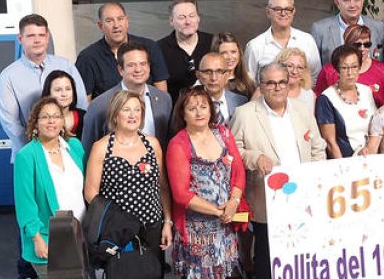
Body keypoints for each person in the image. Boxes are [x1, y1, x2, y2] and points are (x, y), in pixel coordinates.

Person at [231, 63, 326, 279]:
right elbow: (233, 150)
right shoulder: (244, 114)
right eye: (271, 83)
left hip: (303, 197)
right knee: (267, 257)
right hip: (266, 199)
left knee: (302, 254)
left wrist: (317, 178)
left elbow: (318, 146)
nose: (277, 88)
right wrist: (255, 158)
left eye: (282, 82)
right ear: (261, 86)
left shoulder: (302, 109)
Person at [83, 90, 173, 272]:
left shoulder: (152, 144)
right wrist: (116, 220)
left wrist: (168, 222)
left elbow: (162, 186)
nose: (133, 115)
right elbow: (90, 192)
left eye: (137, 110)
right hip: (118, 231)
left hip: (152, 226)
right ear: (115, 115)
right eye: (126, 110)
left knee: (154, 272)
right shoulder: (101, 147)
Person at [165, 86, 246, 279]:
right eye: (192, 108)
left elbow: (239, 171)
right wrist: (219, 212)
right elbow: (180, 194)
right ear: (183, 114)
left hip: (225, 226)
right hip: (197, 231)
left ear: (211, 109)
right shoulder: (178, 144)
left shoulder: (223, 134)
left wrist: (233, 202)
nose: (199, 112)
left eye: (203, 106)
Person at [0, 14, 89, 159]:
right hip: (29, 152)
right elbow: (10, 123)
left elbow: (81, 105)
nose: (37, 40)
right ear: (20, 39)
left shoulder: (66, 66)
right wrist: (35, 152)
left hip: (71, 153)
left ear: (47, 37)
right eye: (31, 35)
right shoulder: (8, 76)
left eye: (41, 35)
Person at [14, 96, 87, 277]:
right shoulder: (26, 156)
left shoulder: (75, 147)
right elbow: (25, 204)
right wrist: (37, 238)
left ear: (63, 122)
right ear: (35, 123)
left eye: (56, 116)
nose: (51, 121)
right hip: (47, 240)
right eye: (45, 117)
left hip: (79, 236)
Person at [81, 42, 173, 153]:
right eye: (131, 65)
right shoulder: (100, 104)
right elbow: (88, 149)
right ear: (120, 70)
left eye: (143, 64)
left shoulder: (164, 99)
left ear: (149, 67)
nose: (138, 69)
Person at [76, 2, 169, 99]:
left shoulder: (149, 47)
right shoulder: (88, 57)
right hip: (107, 113)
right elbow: (85, 103)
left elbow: (161, 94)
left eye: (120, 19)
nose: (116, 25)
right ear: (100, 26)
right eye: (109, 21)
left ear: (127, 21)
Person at [316, 45, 377, 159]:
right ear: (337, 69)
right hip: (345, 160)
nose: (350, 73)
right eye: (344, 68)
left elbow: (375, 127)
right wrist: (343, 168)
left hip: (370, 156)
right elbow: (330, 142)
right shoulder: (326, 98)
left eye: (354, 67)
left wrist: (371, 150)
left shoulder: (366, 91)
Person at [243, 0, 321, 81]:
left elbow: (315, 78)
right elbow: (249, 83)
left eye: (288, 9)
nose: (283, 13)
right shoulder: (255, 46)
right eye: (278, 9)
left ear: (293, 11)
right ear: (268, 12)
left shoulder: (307, 41)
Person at [310, 0, 384, 66]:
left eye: (356, 0)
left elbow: (382, 64)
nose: (352, 5)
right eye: (347, 0)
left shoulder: (377, 27)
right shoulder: (320, 29)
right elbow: (314, 69)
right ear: (337, 3)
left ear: (362, 2)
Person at [313, 24, 384, 105]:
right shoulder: (329, 71)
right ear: (347, 45)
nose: (362, 49)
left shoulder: (381, 69)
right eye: (357, 45)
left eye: (367, 44)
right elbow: (319, 100)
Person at [157, 0, 214, 105]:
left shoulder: (213, 43)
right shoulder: (159, 49)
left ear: (198, 18)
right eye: (181, 17)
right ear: (171, 21)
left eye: (192, 16)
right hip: (174, 112)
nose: (188, 21)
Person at [194, 50, 249, 126]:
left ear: (228, 75)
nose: (213, 78)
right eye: (208, 72)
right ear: (198, 76)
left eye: (219, 71)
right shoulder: (189, 104)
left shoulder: (241, 102)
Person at [42, 70, 86, 144]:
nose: (64, 94)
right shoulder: (40, 120)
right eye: (58, 90)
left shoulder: (85, 117)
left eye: (68, 89)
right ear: (48, 94)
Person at [211, 32, 257, 99]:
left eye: (233, 52)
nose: (230, 57)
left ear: (239, 53)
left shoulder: (249, 80)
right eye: (224, 53)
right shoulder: (209, 81)